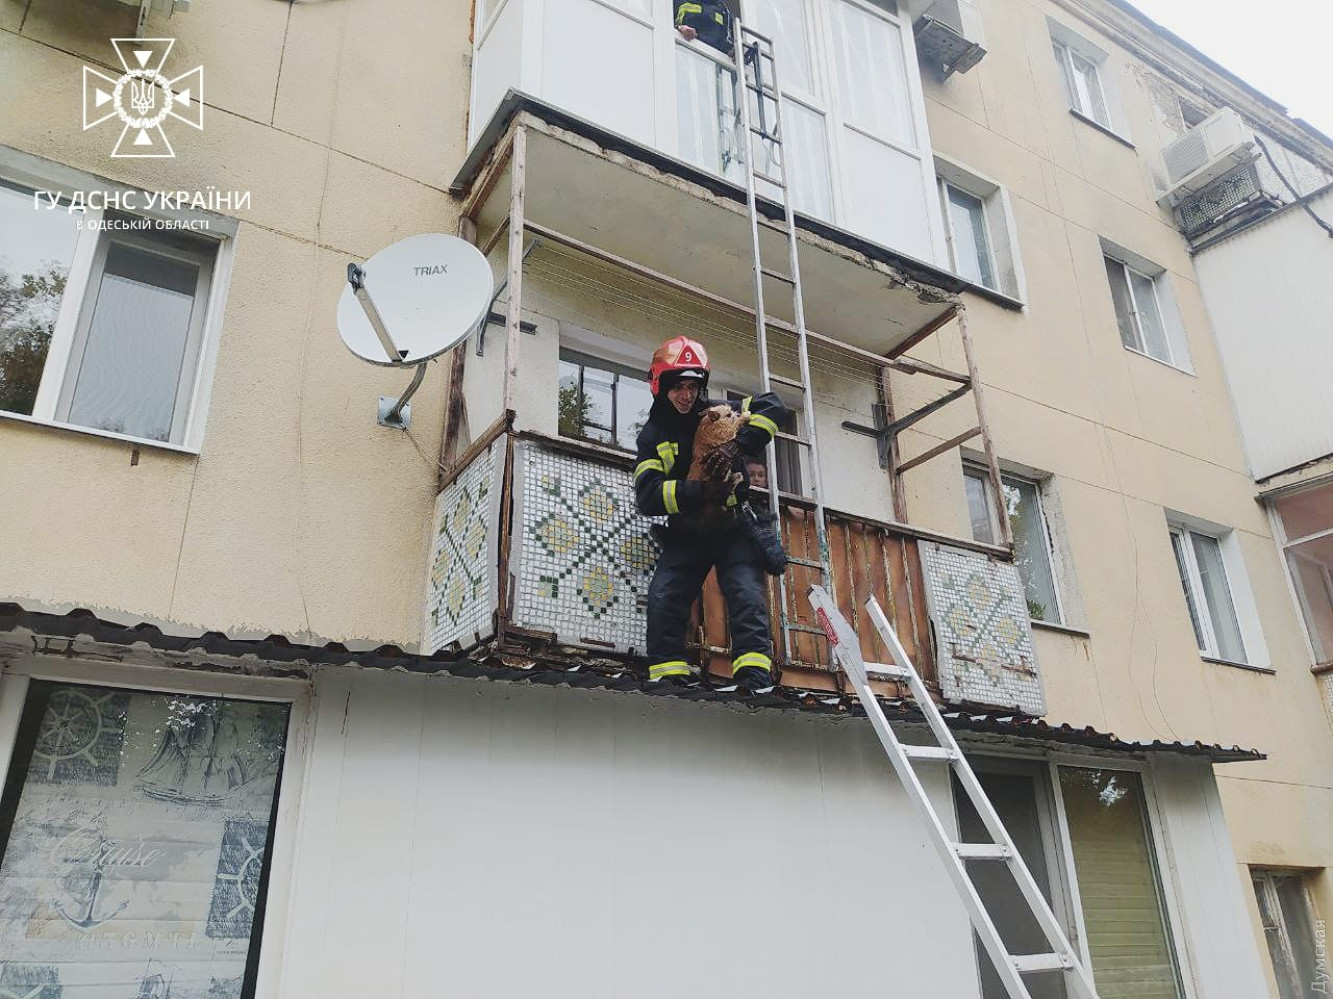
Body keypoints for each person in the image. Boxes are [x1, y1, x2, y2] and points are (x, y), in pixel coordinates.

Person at [634, 335, 788, 691]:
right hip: (687, 531)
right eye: (678, 387)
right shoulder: (653, 436)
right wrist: (700, 492)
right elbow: (647, 496)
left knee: (746, 596)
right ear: (660, 386)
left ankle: (754, 680)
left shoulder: (720, 411)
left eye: (692, 387)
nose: (686, 395)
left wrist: (739, 444)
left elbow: (773, 406)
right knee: (664, 597)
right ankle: (668, 676)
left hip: (734, 526)